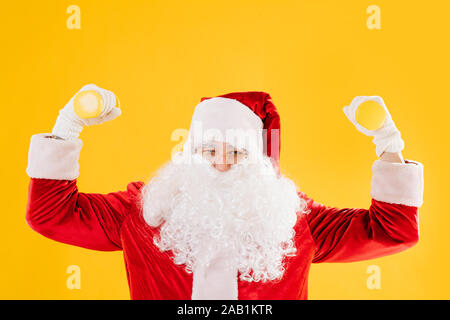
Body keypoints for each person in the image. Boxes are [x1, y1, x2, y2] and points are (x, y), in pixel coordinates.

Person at [25, 84, 424, 300]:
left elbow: (391, 231)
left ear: (258, 161)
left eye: (236, 152)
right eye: (207, 150)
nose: (220, 162)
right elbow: (52, 215)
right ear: (188, 151)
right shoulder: (143, 209)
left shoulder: (294, 219)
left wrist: (388, 143)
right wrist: (68, 126)